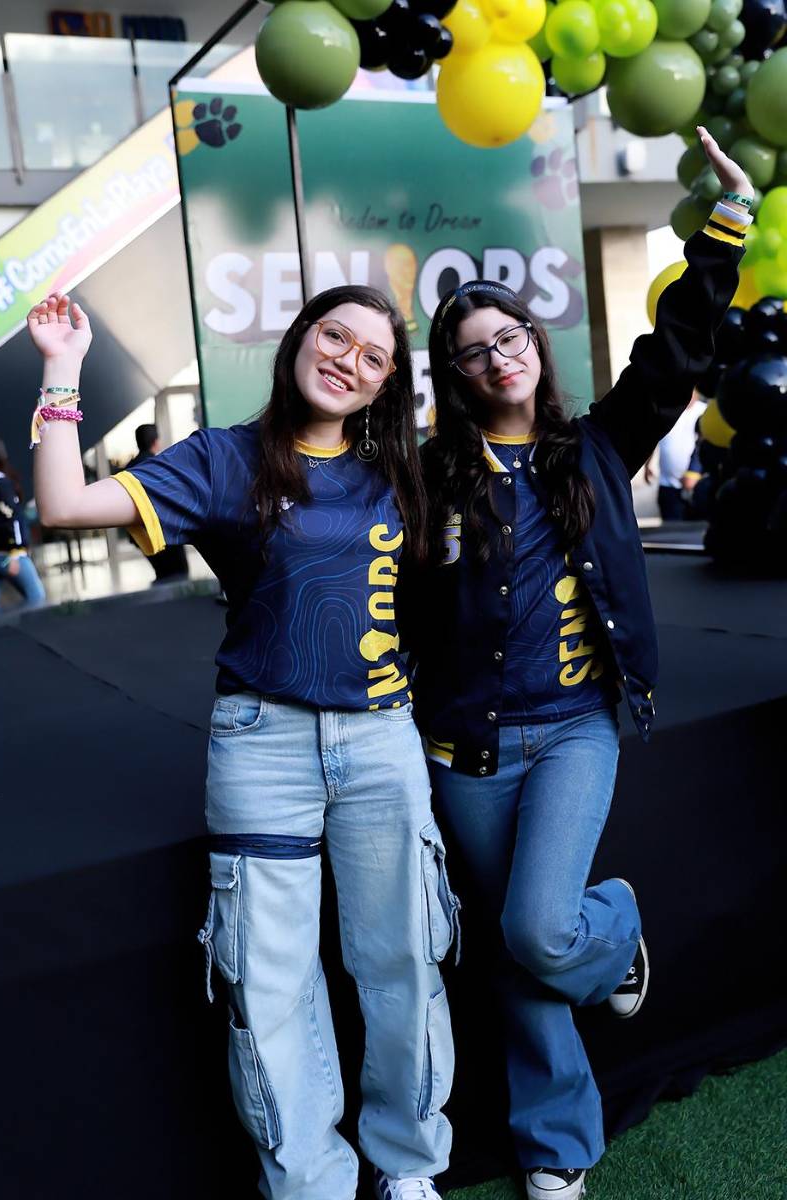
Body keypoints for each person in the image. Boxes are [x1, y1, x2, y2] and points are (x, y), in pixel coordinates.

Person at [26, 284, 458, 1200]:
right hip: (263, 746)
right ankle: (312, 1183)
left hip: (382, 742)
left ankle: (408, 1169)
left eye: (374, 356)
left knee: (403, 958)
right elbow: (62, 504)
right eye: (334, 335)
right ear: (301, 339)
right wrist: (63, 369)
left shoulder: (402, 474)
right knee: (270, 984)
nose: (348, 359)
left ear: (385, 385)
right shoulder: (224, 460)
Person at [402, 128, 750, 1200]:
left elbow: (678, 351)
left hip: (572, 728)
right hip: (462, 746)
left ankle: (615, 927)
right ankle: (559, 1144)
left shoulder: (595, 444)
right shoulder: (420, 478)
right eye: (472, 347)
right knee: (515, 958)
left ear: (533, 347)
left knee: (540, 926)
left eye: (509, 335)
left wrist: (722, 228)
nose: (497, 353)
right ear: (454, 376)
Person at [124, 423, 190, 582]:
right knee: (178, 574)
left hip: (140, 532)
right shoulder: (159, 464)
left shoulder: (128, 468)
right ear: (155, 442)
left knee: (162, 573)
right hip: (164, 531)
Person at [0, 435, 46, 610]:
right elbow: (12, 521)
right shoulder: (1, 484)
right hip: (8, 555)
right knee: (37, 598)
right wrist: (16, 552)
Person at [643, 390, 707, 520]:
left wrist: (695, 473)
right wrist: (647, 464)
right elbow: (653, 438)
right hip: (668, 487)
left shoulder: (704, 412)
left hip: (697, 489)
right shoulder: (665, 411)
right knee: (671, 534)